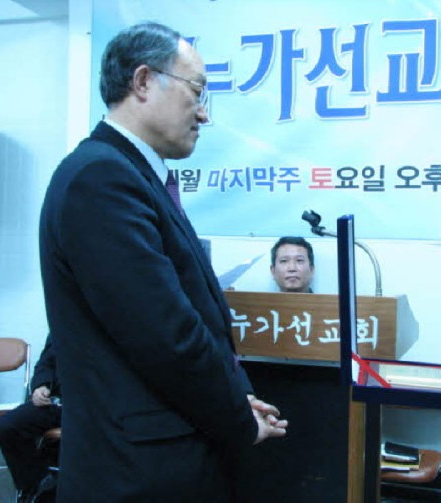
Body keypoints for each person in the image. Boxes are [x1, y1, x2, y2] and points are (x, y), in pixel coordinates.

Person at [38, 22, 287, 502]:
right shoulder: (101, 179)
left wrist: (237, 397)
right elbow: (167, 334)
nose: (205, 113)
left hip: (164, 454)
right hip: (136, 471)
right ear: (143, 81)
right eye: (197, 91)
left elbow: (191, 318)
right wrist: (236, 416)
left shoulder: (132, 175)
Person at [0, 334, 61, 502]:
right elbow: (46, 363)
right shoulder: (64, 325)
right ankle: (40, 488)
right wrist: (41, 386)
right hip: (56, 402)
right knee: (6, 426)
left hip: (92, 406)